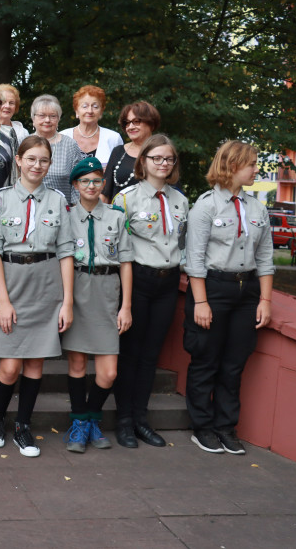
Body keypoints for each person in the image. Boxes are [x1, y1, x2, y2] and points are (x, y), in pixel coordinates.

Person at [0, 135, 74, 457]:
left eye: (44, 160)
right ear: (19, 160)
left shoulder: (58, 201)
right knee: (10, 367)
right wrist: (3, 301)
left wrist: (67, 301)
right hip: (13, 283)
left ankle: (23, 426)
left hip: (47, 285)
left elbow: (65, 252)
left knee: (35, 364)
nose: (38, 165)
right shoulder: (2, 198)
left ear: (50, 165)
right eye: (31, 159)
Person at [183, 141, 274, 455]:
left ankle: (225, 427)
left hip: (246, 293)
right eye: (251, 164)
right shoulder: (206, 206)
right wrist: (201, 302)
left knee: (234, 365)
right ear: (233, 166)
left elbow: (265, 257)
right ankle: (203, 428)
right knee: (206, 361)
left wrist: (265, 299)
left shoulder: (257, 208)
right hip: (213, 289)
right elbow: (194, 259)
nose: (256, 169)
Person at [111, 134, 189, 448]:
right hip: (137, 280)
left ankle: (141, 419)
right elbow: (115, 246)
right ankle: (124, 421)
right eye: (156, 158)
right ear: (144, 161)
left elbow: (182, 243)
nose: (163, 164)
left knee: (150, 356)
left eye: (168, 159)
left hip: (168, 282)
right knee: (130, 354)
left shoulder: (181, 200)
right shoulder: (126, 198)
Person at [61, 157, 133, 454]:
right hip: (77, 288)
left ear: (103, 184)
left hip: (107, 290)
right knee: (77, 364)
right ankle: (80, 423)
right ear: (75, 185)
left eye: (96, 181)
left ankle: (92, 417)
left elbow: (126, 262)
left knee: (108, 373)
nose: (91, 186)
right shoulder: (65, 216)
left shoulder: (116, 216)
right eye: (85, 181)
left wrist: (125, 306)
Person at [30, 94, 84, 203]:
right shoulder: (25, 143)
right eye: (42, 115)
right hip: (28, 207)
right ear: (33, 118)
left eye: (53, 116)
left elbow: (79, 181)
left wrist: (75, 208)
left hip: (62, 209)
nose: (47, 120)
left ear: (58, 119)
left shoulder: (70, 145)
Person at [102, 101, 161, 202]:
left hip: (152, 216)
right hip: (118, 215)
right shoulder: (118, 152)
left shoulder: (162, 153)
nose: (130, 127)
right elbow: (105, 192)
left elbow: (174, 191)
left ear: (151, 123)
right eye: (127, 123)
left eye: (136, 121)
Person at [60, 85, 123, 166]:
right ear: (76, 110)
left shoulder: (113, 138)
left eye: (95, 106)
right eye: (84, 106)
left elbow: (119, 172)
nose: (90, 111)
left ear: (101, 111)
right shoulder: (63, 137)